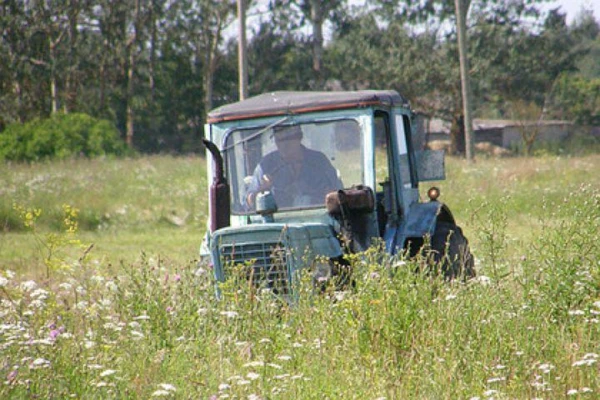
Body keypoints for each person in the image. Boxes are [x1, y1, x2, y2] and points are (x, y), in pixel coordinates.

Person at [246, 125, 343, 209]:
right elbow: (248, 203)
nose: (284, 145)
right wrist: (262, 188)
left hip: (317, 218)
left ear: (299, 138)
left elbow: (338, 195)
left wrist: (326, 194)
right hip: (277, 220)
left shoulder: (319, 161)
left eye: (288, 139)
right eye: (279, 140)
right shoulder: (266, 165)